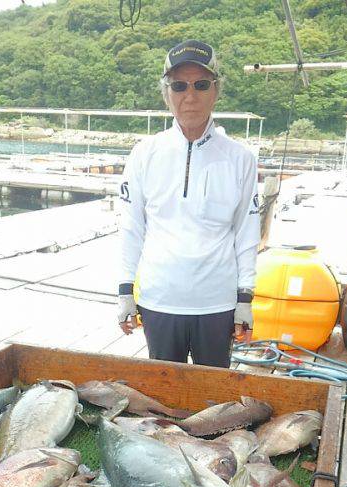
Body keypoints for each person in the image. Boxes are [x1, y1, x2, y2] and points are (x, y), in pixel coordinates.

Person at [117, 39, 260, 367]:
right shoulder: (144, 154)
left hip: (217, 305)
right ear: (166, 92)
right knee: (163, 398)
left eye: (201, 84)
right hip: (158, 301)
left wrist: (245, 299)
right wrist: (125, 291)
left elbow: (246, 232)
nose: (190, 95)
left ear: (217, 90)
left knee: (212, 399)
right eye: (179, 85)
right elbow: (131, 226)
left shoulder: (240, 158)